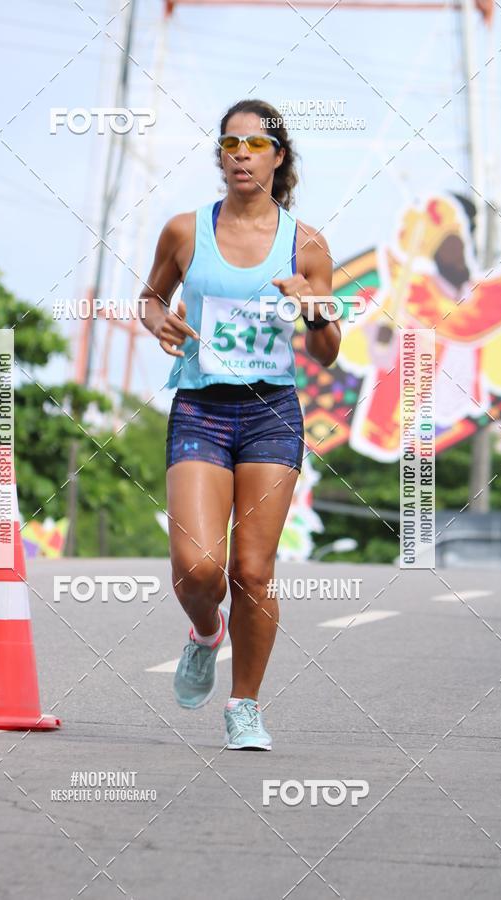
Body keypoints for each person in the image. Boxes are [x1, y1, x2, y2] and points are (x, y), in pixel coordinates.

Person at [140, 99, 340, 750]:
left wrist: (315, 312)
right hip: (200, 404)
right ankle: (205, 633)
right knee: (199, 569)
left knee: (252, 571)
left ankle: (245, 706)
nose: (241, 156)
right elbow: (151, 297)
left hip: (270, 412)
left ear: (279, 157)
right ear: (220, 157)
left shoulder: (306, 244)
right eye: (230, 145)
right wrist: (156, 320)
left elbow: (327, 350)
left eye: (255, 146)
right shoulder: (184, 231)